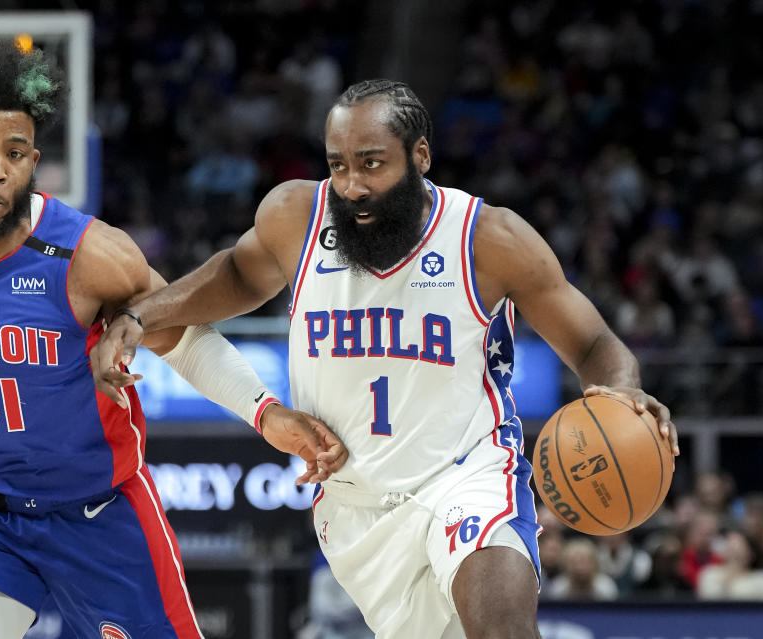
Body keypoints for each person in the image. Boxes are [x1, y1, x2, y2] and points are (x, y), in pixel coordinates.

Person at [93, 79, 680, 639]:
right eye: (339, 164)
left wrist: (621, 390)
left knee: (502, 623)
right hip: (353, 505)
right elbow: (236, 275)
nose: (352, 185)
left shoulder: (487, 238)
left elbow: (594, 345)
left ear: (419, 155)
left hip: (465, 473)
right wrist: (144, 313)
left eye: (372, 163)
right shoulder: (298, 216)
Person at [0, 40, 346, 639]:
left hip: (98, 511)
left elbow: (186, 338)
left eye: (14, 153)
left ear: (33, 161)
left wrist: (265, 412)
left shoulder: (89, 254)